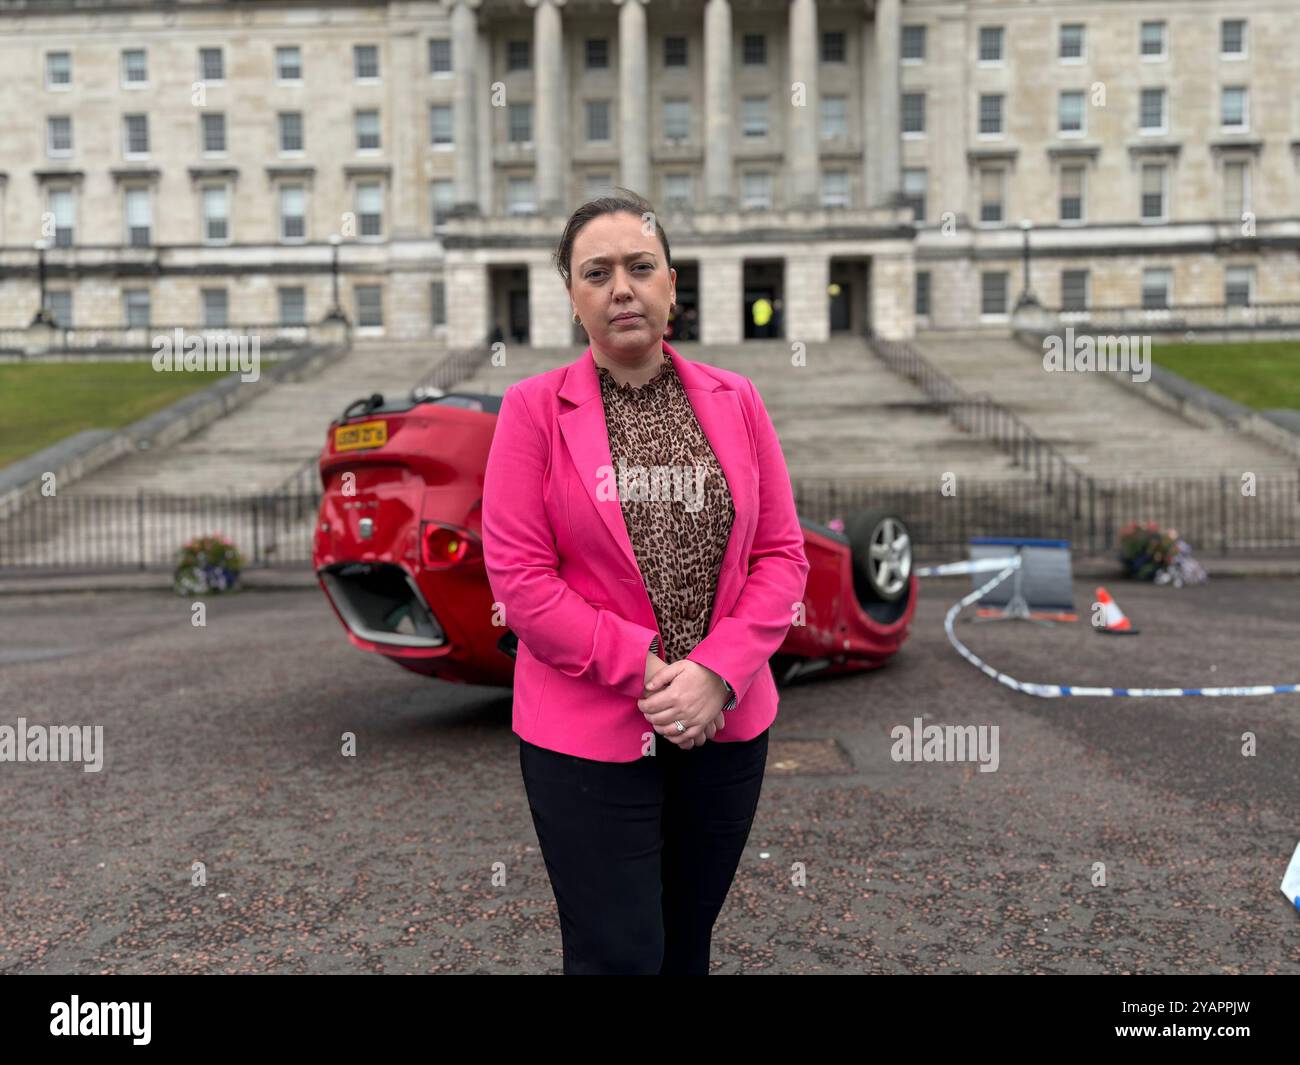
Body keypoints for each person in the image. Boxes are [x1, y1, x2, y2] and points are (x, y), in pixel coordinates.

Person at [480, 188, 810, 975]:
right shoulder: (530, 410)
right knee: (618, 954)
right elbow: (523, 582)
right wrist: (653, 673)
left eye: (639, 266)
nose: (620, 287)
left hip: (724, 726)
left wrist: (717, 674)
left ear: (671, 284)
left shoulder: (739, 398)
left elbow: (782, 557)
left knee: (684, 947)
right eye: (596, 272)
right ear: (572, 297)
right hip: (586, 730)